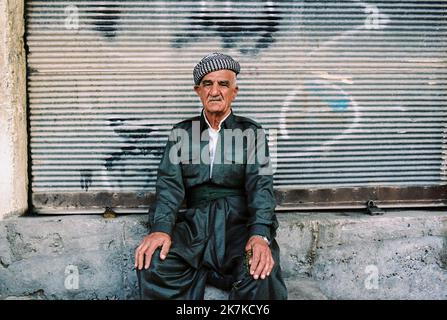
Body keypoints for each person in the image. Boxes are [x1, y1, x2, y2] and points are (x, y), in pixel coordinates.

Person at [135, 52, 287, 300]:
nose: (215, 91)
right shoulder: (181, 133)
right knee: (153, 262)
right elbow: (168, 188)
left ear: (234, 92)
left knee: (260, 271)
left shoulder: (251, 132)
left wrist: (259, 234)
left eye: (223, 84)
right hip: (195, 225)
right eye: (208, 83)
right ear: (198, 91)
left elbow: (261, 186)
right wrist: (161, 229)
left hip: (238, 225)